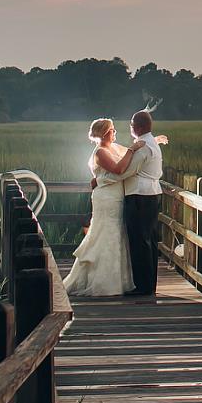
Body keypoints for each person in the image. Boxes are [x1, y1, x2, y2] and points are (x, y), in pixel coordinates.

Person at [61, 117, 167, 298]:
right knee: (106, 233)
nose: (115, 132)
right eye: (112, 130)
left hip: (118, 195)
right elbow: (120, 169)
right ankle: (103, 280)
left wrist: (152, 141)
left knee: (119, 235)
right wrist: (102, 179)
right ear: (104, 133)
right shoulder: (100, 152)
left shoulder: (115, 148)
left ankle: (123, 280)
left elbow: (135, 156)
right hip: (107, 197)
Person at [121, 109, 164, 296]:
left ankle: (143, 287)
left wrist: (105, 176)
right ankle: (149, 284)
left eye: (131, 124)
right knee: (149, 240)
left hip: (139, 195)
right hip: (151, 195)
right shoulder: (152, 142)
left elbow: (127, 170)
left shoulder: (143, 145)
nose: (130, 126)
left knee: (140, 241)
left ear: (138, 127)